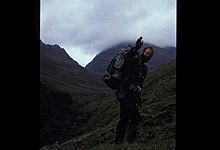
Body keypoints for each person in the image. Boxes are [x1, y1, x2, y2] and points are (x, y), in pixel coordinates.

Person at [114, 36, 154, 144]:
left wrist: (138, 99)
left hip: (131, 96)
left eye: (150, 54)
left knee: (124, 118)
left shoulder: (144, 68)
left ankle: (118, 143)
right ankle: (128, 143)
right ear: (143, 52)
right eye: (146, 53)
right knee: (136, 118)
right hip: (124, 93)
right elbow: (127, 59)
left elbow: (139, 84)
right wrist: (136, 48)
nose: (147, 55)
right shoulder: (135, 59)